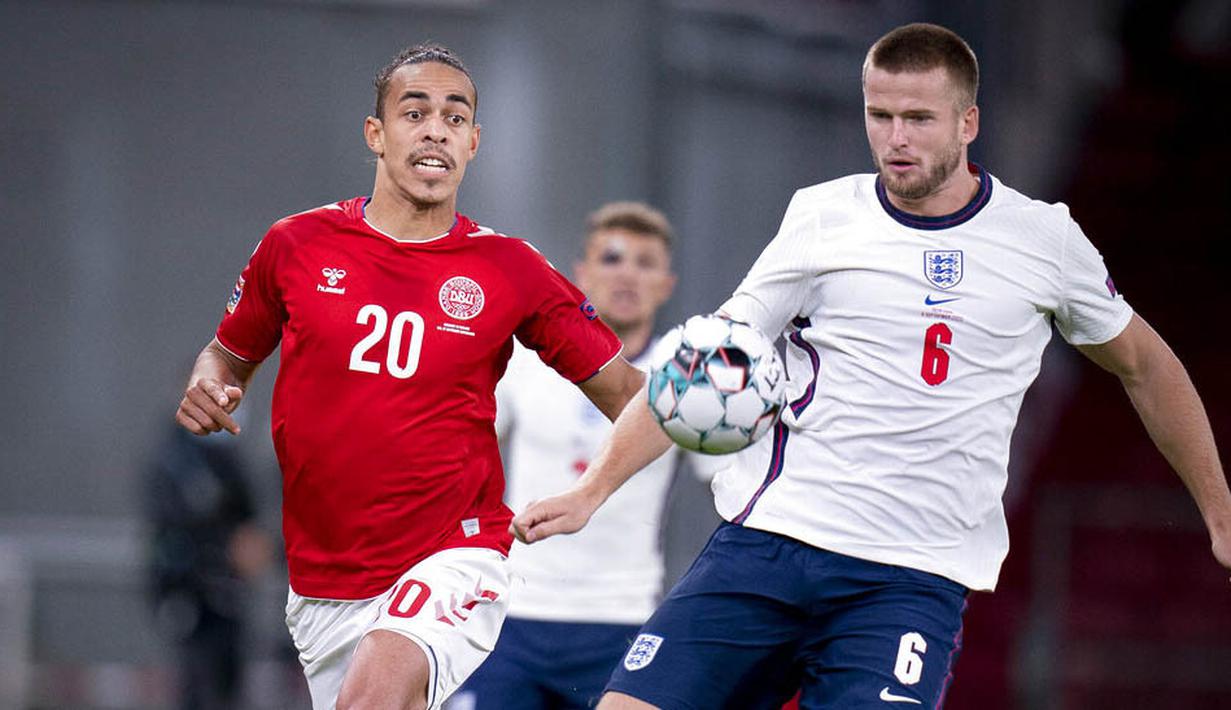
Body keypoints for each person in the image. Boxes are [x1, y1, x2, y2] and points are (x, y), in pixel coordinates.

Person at [511, 22, 1231, 709]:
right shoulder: (822, 217)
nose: (895, 138)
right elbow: (699, 371)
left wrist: (1219, 507)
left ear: (968, 123)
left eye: (917, 118)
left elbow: (1146, 366)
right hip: (768, 545)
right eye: (879, 116)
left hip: (908, 581)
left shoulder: (1043, 240)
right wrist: (591, 492)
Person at [173, 44, 644, 710]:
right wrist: (210, 383)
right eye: (414, 113)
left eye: (455, 117)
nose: (435, 131)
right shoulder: (296, 244)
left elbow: (635, 398)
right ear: (376, 133)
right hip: (324, 584)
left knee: (377, 689)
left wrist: (593, 491)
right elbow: (227, 356)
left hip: (455, 553)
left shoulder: (510, 268)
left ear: (473, 143)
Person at [452, 202, 721, 710]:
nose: (627, 274)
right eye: (612, 258)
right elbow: (457, 452)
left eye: (645, 263)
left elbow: (732, 488)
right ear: (581, 273)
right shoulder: (527, 359)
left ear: (666, 284)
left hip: (623, 619)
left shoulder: (685, 378)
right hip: (510, 613)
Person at [144, 415, 274, 710]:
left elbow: (247, 516)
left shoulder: (227, 460)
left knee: (227, 681)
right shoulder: (175, 460)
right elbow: (173, 526)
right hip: (190, 594)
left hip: (228, 596)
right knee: (198, 681)